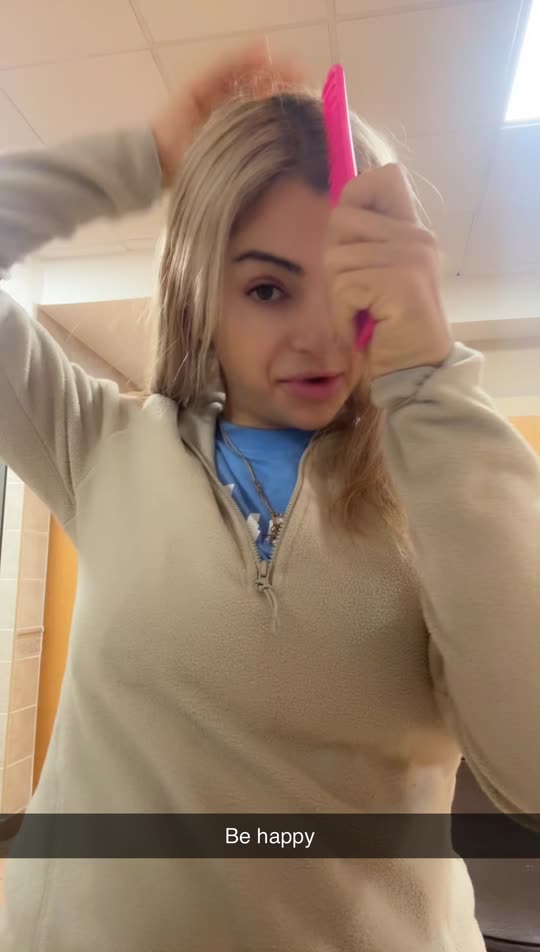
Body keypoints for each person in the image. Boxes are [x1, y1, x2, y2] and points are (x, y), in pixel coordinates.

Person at [0, 37, 539, 952]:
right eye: (267, 288)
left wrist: (429, 378)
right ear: (201, 291)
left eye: (351, 292)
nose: (319, 340)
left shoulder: (448, 485)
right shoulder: (97, 441)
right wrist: (137, 161)